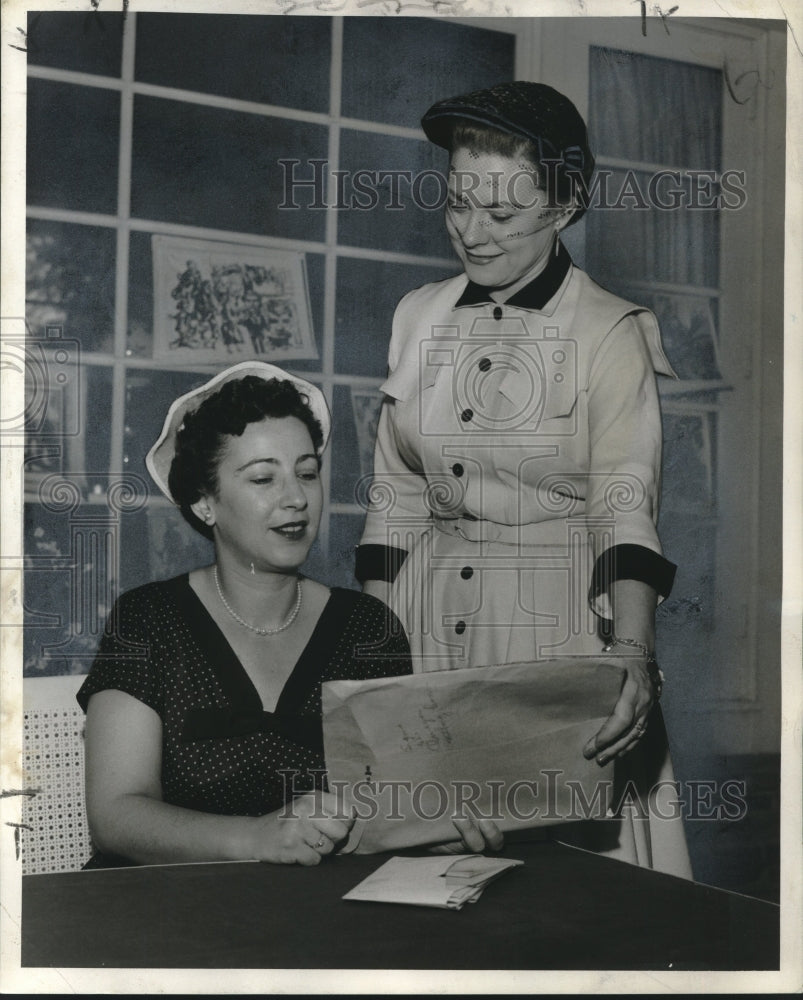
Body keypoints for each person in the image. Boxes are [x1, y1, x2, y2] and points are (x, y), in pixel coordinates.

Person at [356, 82, 692, 877]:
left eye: (501, 214)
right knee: (422, 869)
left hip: (557, 629)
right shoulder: (416, 316)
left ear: (564, 204)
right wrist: (376, 655)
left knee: (559, 886)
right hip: (426, 625)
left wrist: (632, 658)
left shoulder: (607, 332)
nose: (470, 234)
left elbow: (624, 506)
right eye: (456, 204)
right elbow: (395, 494)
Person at [77, 362, 415, 867]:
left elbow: (397, 805)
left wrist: (441, 825)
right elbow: (116, 817)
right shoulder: (146, 621)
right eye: (263, 478)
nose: (296, 498)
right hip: (164, 914)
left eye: (307, 473)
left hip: (319, 919)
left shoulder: (369, 628)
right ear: (205, 503)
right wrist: (256, 840)